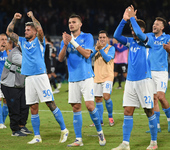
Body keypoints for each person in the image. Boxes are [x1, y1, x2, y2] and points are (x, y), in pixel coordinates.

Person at [6, 11, 69, 144]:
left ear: (34, 32)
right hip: (28, 78)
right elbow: (9, 32)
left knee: (50, 104)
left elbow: (40, 28)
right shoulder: (22, 41)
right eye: (25, 29)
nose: (26, 31)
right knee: (33, 107)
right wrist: (14, 19)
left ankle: (64, 130)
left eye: (28, 29)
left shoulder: (40, 41)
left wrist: (33, 17)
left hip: (40, 77)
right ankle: (37, 136)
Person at [112, 5, 158, 150]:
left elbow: (139, 32)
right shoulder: (131, 42)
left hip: (144, 80)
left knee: (148, 111)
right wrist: (124, 20)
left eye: (134, 29)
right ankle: (125, 143)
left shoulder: (148, 39)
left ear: (142, 30)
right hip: (130, 81)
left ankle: (154, 142)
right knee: (127, 111)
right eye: (131, 30)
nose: (132, 32)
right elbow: (116, 36)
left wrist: (133, 18)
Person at [58, 14, 106, 147]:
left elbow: (86, 54)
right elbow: (60, 59)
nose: (71, 24)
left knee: (90, 106)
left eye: (74, 22)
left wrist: (72, 42)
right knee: (76, 107)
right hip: (73, 78)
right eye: (69, 22)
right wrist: (64, 45)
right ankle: (78, 140)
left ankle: (100, 132)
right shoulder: (65, 40)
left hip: (86, 77)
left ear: (80, 24)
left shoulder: (87, 36)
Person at [146, 18, 170, 133]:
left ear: (162, 28)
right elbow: (138, 35)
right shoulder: (149, 36)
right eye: (154, 23)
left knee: (161, 97)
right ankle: (157, 126)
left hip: (161, 72)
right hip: (150, 72)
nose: (154, 25)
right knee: (154, 99)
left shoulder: (166, 38)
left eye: (157, 24)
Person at [1, 46, 32, 136]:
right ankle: (15, 130)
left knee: (24, 106)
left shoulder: (25, 52)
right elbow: (25, 63)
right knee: (14, 107)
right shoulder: (15, 53)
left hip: (20, 84)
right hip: (9, 85)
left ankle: (21, 126)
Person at [89, 30, 115, 127]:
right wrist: (97, 49)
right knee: (98, 99)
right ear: (98, 39)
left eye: (104, 37)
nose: (102, 39)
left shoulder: (111, 48)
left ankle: (110, 117)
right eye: (100, 37)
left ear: (107, 38)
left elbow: (108, 59)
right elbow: (89, 57)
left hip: (108, 76)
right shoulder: (95, 49)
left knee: (106, 96)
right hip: (97, 77)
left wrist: (101, 50)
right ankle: (100, 121)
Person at [0, 33, 9, 129]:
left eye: (5, 39)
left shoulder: (9, 52)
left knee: (6, 101)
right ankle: (1, 122)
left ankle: (2, 121)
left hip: (7, 81)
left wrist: (6, 50)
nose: (4, 41)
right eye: (2, 39)